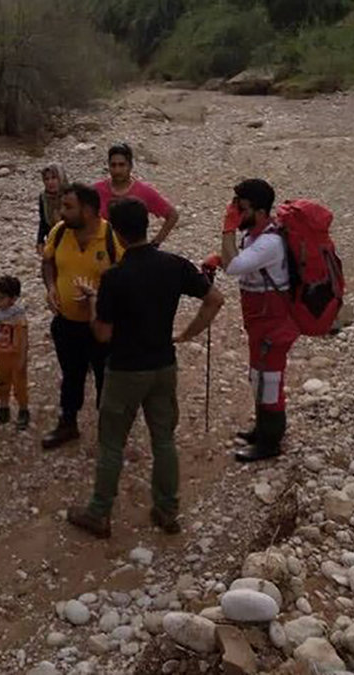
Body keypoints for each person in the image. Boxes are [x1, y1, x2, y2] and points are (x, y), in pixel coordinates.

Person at [65, 198, 224, 538]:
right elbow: (215, 299)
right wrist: (189, 332)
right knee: (163, 439)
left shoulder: (115, 277)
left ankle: (99, 512)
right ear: (146, 226)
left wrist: (93, 303)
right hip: (163, 364)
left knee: (111, 443)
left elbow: (103, 333)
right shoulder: (173, 264)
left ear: (118, 234)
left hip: (125, 370)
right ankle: (167, 511)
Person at [209, 179, 299, 463]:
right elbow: (237, 260)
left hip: (274, 323)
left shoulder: (270, 242)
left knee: (270, 381)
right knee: (258, 376)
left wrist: (226, 227)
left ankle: (270, 442)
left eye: (242, 208)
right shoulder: (253, 236)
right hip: (260, 321)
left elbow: (236, 266)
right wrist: (216, 258)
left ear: (259, 212)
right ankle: (263, 429)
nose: (237, 213)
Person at [40, 183, 123, 450]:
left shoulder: (112, 237)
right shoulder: (59, 232)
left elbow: (125, 278)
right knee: (71, 374)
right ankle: (68, 423)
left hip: (101, 325)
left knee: (106, 377)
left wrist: (98, 300)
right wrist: (51, 287)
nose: (61, 212)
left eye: (68, 207)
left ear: (87, 210)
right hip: (66, 323)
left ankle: (109, 430)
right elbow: (47, 262)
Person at [93, 143, 179, 248]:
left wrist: (155, 243)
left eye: (121, 165)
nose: (117, 170)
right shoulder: (96, 190)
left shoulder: (144, 191)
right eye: (113, 165)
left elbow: (172, 215)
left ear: (130, 166)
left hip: (133, 255)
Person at [0, 275, 30, 430]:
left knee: (19, 384)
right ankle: (4, 408)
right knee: (2, 382)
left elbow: (23, 338)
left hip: (16, 355)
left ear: (13, 298)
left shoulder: (18, 315)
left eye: (1, 298)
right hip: (1, 353)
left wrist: (22, 357)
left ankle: (23, 409)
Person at [36, 164, 67, 256]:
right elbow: (43, 221)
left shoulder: (70, 195)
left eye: (54, 178)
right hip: (52, 239)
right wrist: (40, 241)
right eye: (47, 179)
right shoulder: (44, 198)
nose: (50, 182)